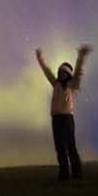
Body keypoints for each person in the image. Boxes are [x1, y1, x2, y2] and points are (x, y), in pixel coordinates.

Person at [36, 44, 92, 181]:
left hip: (67, 119)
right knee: (60, 148)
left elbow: (78, 71)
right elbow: (47, 72)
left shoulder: (72, 85)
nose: (60, 74)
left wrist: (81, 56)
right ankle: (63, 175)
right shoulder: (55, 84)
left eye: (63, 72)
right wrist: (40, 59)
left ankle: (77, 174)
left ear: (67, 74)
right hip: (56, 119)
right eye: (59, 72)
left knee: (70, 146)